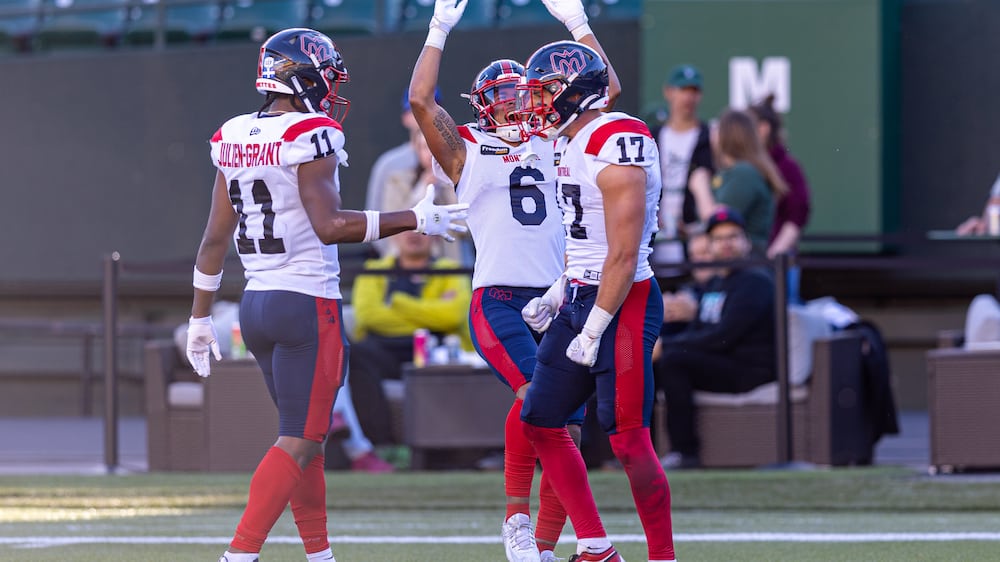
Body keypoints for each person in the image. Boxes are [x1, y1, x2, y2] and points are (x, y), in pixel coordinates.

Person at [184, 27, 468, 562]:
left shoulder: (233, 133)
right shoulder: (312, 133)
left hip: (257, 305)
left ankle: (320, 554)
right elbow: (331, 225)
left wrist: (200, 318)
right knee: (299, 439)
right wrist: (418, 218)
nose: (334, 88)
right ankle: (239, 554)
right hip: (305, 304)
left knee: (305, 437)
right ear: (306, 77)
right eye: (329, 76)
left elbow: (213, 240)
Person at [407, 2, 622, 561]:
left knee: (567, 433)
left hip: (559, 299)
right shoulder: (467, 150)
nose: (514, 104)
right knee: (536, 401)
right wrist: (438, 29)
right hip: (499, 297)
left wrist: (577, 23)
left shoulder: (558, 138)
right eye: (500, 96)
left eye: (521, 94)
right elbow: (420, 101)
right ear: (481, 106)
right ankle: (516, 519)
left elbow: (606, 92)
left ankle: (545, 549)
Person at [517, 41, 676, 562]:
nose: (533, 104)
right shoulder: (572, 139)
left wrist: (593, 328)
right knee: (540, 416)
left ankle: (662, 556)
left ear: (572, 93)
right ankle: (595, 546)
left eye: (542, 92)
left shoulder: (615, 136)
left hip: (624, 300)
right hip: (582, 293)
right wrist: (559, 290)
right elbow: (587, 243)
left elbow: (625, 255)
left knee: (627, 438)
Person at [658, 208, 777, 470]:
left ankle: (685, 452)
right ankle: (635, 449)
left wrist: (667, 346)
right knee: (657, 361)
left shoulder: (754, 281)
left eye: (733, 237)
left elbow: (724, 336)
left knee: (673, 361)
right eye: (718, 239)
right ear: (709, 245)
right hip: (721, 361)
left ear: (746, 241)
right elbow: (700, 330)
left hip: (748, 368)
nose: (726, 244)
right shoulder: (716, 283)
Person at [698, 109, 788, 257]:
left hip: (746, 264)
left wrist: (700, 186)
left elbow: (718, 219)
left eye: (717, 127)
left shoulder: (744, 173)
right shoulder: (731, 172)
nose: (712, 133)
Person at [650, 64, 714, 269]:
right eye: (683, 90)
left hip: (694, 237)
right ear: (669, 92)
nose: (688, 97)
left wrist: (693, 225)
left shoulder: (710, 136)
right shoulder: (654, 136)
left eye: (693, 91)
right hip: (654, 235)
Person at [748, 94, 811, 260]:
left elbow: (797, 214)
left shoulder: (787, 168)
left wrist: (773, 256)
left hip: (776, 262)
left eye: (747, 127)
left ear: (763, 129)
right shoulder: (743, 166)